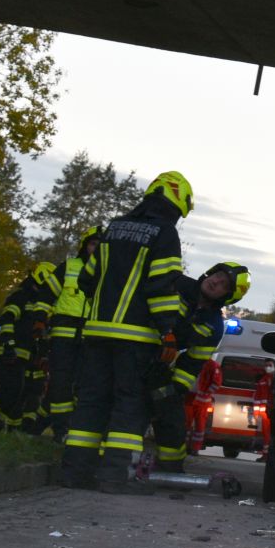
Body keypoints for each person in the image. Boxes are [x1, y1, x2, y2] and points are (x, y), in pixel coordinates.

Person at [60, 171, 191, 492]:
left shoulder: (113, 228)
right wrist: (168, 332)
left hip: (96, 335)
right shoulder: (163, 234)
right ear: (176, 203)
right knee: (128, 405)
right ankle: (113, 477)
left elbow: (86, 279)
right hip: (136, 339)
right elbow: (160, 286)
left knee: (91, 401)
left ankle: (75, 474)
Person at [147, 262, 251, 473]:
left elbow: (193, 362)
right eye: (216, 275)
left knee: (172, 418)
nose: (215, 282)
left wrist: (174, 390)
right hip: (133, 351)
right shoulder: (178, 285)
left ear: (228, 296)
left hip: (157, 367)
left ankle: (170, 467)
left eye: (223, 284)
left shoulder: (213, 325)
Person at [0, 262, 60, 431]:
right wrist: (8, 345)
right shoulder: (21, 297)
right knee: (11, 389)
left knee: (18, 392)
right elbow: (6, 319)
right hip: (9, 352)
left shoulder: (38, 303)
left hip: (23, 356)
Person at [32, 224, 103, 439]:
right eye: (93, 244)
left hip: (90, 338)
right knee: (61, 382)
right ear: (84, 246)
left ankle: (38, 425)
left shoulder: (107, 274)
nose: (95, 249)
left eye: (100, 246)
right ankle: (61, 430)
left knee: (81, 386)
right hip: (63, 335)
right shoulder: (69, 266)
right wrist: (39, 321)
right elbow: (47, 294)